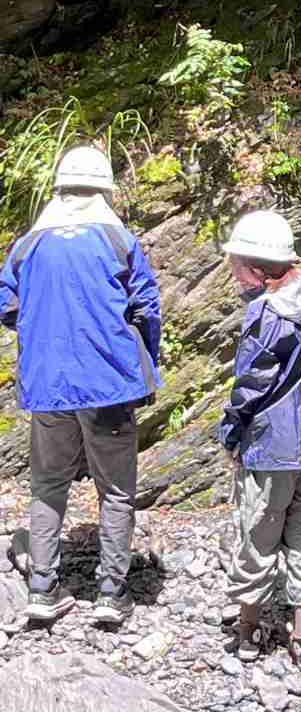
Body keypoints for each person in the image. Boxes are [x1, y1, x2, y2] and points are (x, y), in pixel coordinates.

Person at [0, 146, 161, 625]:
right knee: (115, 491)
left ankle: (42, 591)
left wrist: (44, 332)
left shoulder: (27, 245)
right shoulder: (117, 240)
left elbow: (6, 305)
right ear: (103, 190)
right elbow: (147, 308)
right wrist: (143, 361)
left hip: (48, 386)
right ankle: (111, 595)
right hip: (108, 385)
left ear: (59, 187)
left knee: (48, 486)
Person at [218, 209, 301, 671]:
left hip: (272, 449)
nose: (234, 276)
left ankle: (248, 632)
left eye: (234, 266)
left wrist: (231, 432)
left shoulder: (265, 314)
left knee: (258, 536)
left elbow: (252, 383)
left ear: (255, 268)